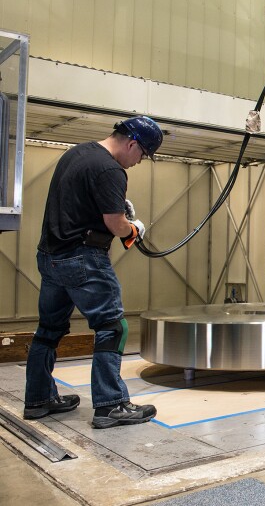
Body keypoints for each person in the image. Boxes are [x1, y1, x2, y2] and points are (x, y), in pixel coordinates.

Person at [24, 116, 163, 429]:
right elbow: (116, 225)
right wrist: (133, 228)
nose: (139, 162)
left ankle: (38, 399)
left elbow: (78, 203)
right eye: (142, 155)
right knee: (112, 328)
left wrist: (114, 205)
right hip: (83, 258)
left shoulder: (77, 153)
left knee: (48, 330)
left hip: (50, 257)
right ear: (132, 143)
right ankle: (111, 405)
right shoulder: (111, 169)